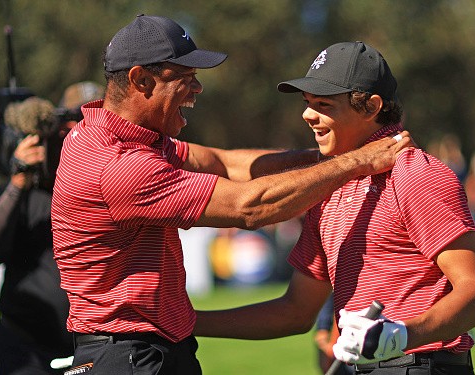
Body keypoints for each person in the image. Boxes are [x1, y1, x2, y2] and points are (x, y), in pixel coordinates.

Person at [51, 15, 411, 375]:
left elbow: (225, 163)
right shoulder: (118, 165)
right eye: (185, 78)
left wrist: (326, 157)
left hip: (141, 349)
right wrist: (357, 161)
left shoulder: (132, 141)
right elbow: (250, 207)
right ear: (140, 80)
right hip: (129, 356)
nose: (198, 89)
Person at [194, 41, 475, 375]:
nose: (307, 115)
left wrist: (401, 335)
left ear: (371, 107)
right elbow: (296, 310)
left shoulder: (415, 175)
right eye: (307, 103)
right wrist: (184, 321)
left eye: (323, 104)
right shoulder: (329, 185)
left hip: (422, 365)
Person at [0, 83, 104, 375]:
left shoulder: (112, 184)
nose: (79, 134)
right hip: (26, 348)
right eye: (70, 125)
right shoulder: (27, 185)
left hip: (96, 348)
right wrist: (19, 179)